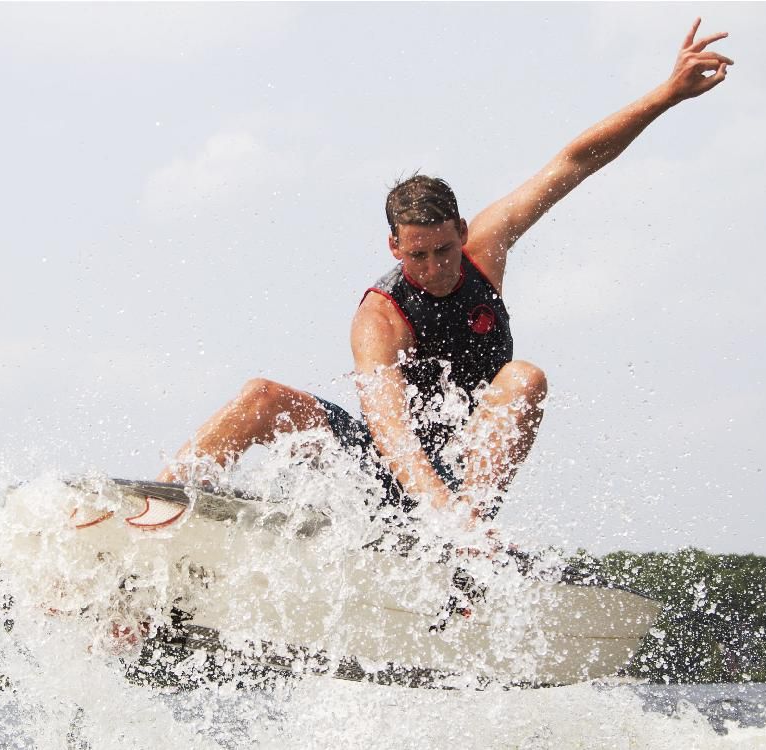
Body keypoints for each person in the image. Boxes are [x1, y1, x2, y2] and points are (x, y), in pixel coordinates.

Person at [158, 19, 733, 524]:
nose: (434, 267)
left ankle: (469, 533)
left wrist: (666, 95)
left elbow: (573, 162)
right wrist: (436, 510)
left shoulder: (485, 248)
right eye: (418, 255)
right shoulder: (379, 318)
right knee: (261, 397)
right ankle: (156, 505)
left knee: (524, 378)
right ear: (394, 247)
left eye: (443, 250)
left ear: (461, 232)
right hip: (382, 471)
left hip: (462, 478)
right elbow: (390, 435)